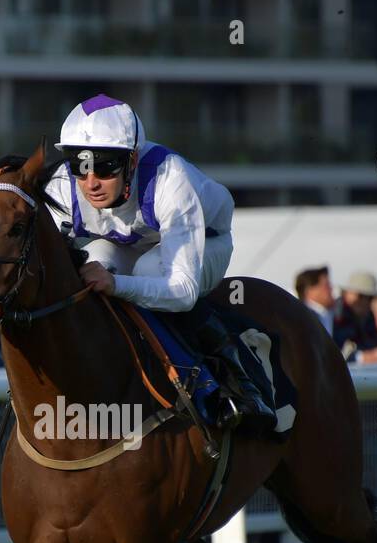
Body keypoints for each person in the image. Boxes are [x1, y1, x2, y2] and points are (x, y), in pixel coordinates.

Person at [43, 94, 274, 433]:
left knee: (148, 272)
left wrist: (118, 285)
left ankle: (238, 381)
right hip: (131, 242)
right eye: (79, 163)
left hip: (206, 241)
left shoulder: (170, 179)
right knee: (91, 267)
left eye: (105, 165)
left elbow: (181, 291)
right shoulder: (63, 187)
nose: (90, 181)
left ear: (132, 161)